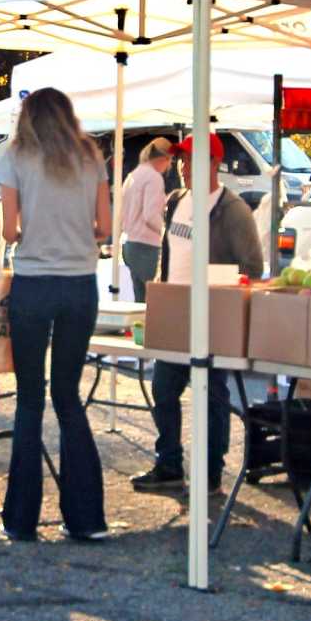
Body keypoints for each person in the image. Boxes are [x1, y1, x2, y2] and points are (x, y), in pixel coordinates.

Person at [0, 88, 111, 543]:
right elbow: (104, 227)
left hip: (34, 282)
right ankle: (86, 518)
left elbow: (8, 230)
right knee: (68, 396)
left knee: (29, 398)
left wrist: (32, 228)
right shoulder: (90, 156)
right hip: (80, 283)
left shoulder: (14, 155)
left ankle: (20, 519)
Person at [133, 132, 265, 496]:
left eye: (192, 160)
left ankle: (210, 472)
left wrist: (224, 292)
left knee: (211, 393)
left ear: (214, 164)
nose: (184, 167)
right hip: (175, 313)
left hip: (211, 314)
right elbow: (169, 254)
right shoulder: (176, 200)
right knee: (163, 390)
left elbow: (252, 268)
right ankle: (169, 464)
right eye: (182, 160)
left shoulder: (232, 209)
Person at [119, 137, 173, 303]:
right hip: (146, 245)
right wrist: (167, 233)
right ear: (165, 159)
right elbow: (150, 216)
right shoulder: (154, 178)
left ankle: (140, 330)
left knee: (140, 301)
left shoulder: (132, 176)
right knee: (155, 302)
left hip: (129, 244)